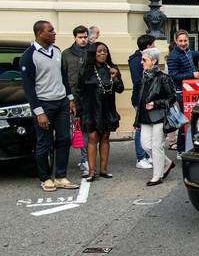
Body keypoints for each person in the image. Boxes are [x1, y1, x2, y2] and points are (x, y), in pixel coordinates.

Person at [20, 20, 79, 191]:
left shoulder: (56, 51)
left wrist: (70, 98)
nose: (54, 33)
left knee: (64, 139)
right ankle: (45, 178)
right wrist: (39, 112)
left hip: (61, 102)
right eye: (50, 30)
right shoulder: (29, 56)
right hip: (44, 104)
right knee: (44, 142)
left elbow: (63, 77)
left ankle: (61, 176)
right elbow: (29, 88)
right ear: (40, 33)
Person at [75, 42, 124, 182]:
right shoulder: (85, 69)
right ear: (93, 53)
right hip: (90, 109)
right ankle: (91, 171)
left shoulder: (112, 69)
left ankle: (103, 169)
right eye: (99, 51)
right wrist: (78, 112)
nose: (103, 54)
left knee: (105, 137)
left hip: (107, 108)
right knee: (91, 138)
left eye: (105, 51)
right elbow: (79, 91)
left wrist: (115, 78)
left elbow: (120, 89)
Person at [167, 29, 199, 159]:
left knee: (192, 119)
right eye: (181, 41)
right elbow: (173, 76)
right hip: (182, 92)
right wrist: (192, 75)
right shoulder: (174, 56)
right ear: (176, 41)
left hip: (192, 91)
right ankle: (180, 150)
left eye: (185, 41)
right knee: (185, 121)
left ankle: (188, 146)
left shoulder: (187, 52)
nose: (183, 43)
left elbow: (197, 54)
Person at [134, 47, 176, 186]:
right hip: (146, 117)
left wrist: (156, 104)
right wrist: (136, 120)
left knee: (157, 146)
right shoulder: (144, 76)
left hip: (159, 116)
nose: (141, 62)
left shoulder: (163, 77)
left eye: (144, 60)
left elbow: (171, 98)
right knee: (146, 145)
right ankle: (167, 162)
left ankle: (157, 176)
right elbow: (141, 100)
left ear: (154, 61)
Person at [62, 25, 90, 175]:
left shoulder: (91, 52)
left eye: (85, 37)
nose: (83, 40)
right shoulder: (66, 54)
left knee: (84, 129)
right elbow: (63, 75)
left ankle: (85, 159)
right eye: (80, 37)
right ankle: (63, 161)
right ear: (75, 38)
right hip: (70, 96)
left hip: (87, 96)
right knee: (67, 130)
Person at [128, 34, 156, 169]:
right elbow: (138, 82)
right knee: (140, 127)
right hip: (140, 99)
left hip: (145, 98)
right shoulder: (136, 61)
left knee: (146, 127)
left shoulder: (145, 59)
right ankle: (140, 158)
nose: (155, 46)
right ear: (148, 46)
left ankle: (145, 155)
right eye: (153, 44)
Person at [164, 41, 177, 150]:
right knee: (173, 116)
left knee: (173, 116)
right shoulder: (171, 61)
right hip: (172, 92)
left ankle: (173, 140)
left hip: (171, 92)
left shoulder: (169, 60)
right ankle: (172, 140)